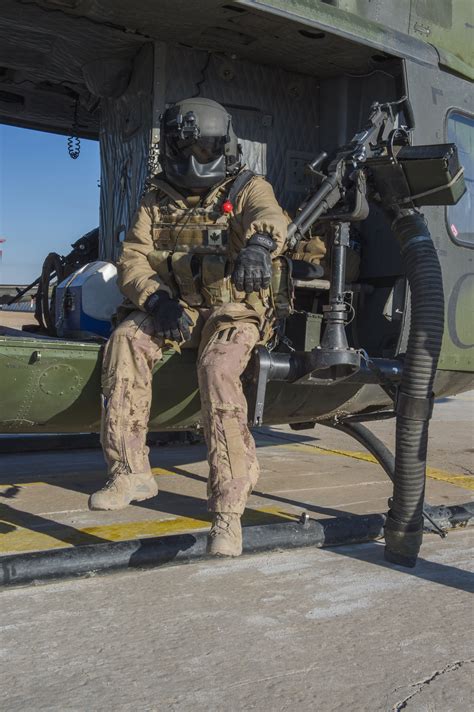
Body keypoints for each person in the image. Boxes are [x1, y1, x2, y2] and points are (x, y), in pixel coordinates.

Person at [89, 97, 290, 557]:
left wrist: (259, 247)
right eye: (191, 149)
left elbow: (271, 218)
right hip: (176, 309)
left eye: (207, 149)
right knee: (124, 341)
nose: (199, 158)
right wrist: (154, 299)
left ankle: (228, 510)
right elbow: (133, 259)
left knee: (219, 370)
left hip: (232, 310)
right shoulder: (156, 199)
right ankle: (130, 472)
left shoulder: (246, 188)